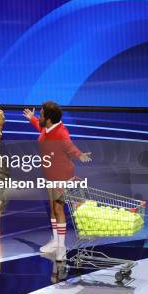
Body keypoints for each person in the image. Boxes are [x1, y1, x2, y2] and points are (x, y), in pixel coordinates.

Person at [23, 101, 91, 261]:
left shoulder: (61, 133)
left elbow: (69, 146)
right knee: (53, 208)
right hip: (50, 173)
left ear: (49, 119)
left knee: (59, 209)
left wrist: (80, 154)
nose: (39, 117)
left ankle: (61, 247)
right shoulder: (48, 127)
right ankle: (55, 241)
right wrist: (32, 118)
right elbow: (41, 129)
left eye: (40, 115)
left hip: (61, 175)